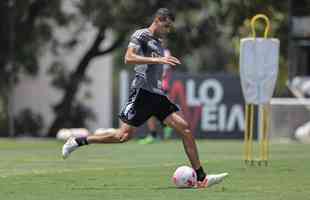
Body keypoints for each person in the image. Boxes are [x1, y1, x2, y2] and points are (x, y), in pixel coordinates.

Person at [62, 8, 228, 188]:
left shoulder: (159, 42)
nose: (168, 30)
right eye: (166, 25)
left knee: (185, 129)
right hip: (142, 93)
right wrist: (159, 61)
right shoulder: (141, 35)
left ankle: (202, 177)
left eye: (170, 27)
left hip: (157, 95)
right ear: (158, 20)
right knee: (122, 136)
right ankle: (78, 141)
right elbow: (129, 57)